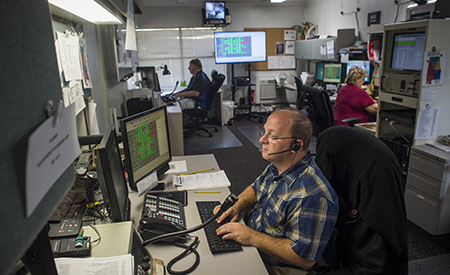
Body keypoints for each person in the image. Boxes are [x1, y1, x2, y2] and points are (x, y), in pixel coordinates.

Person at [214, 108, 339, 275]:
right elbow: (255, 189)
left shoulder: (312, 195)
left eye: (272, 136)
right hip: (256, 245)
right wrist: (237, 206)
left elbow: (304, 259)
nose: (261, 139)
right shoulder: (277, 168)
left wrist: (251, 237)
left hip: (282, 267)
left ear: (296, 145)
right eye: (264, 132)